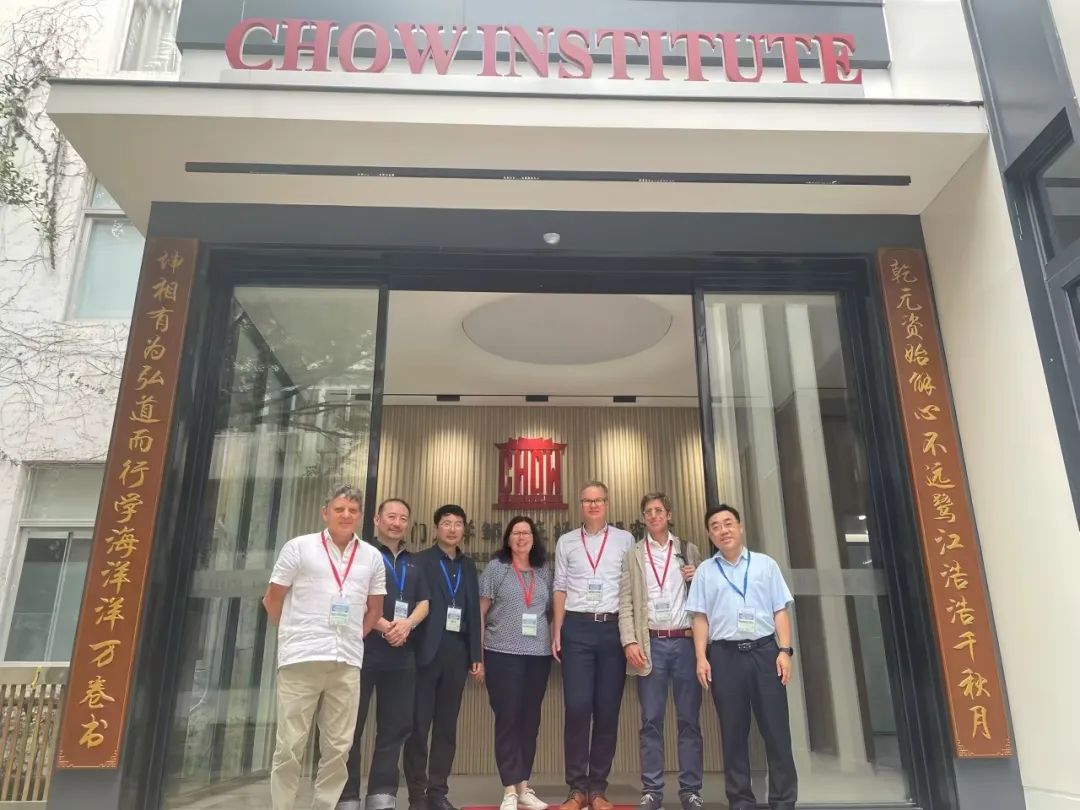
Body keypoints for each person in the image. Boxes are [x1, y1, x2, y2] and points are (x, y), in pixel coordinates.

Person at [263, 485, 387, 810]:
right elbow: (272, 599)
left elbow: (375, 610)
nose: (346, 515)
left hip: (346, 662)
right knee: (289, 745)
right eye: (339, 509)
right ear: (325, 512)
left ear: (360, 516)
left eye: (352, 511)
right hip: (300, 659)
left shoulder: (372, 557)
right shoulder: (299, 547)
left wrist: (353, 637)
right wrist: (291, 633)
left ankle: (324, 806)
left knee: (339, 747)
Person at [686, 504, 798, 810]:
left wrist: (785, 651)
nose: (723, 530)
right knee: (733, 734)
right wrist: (701, 657)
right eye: (715, 526)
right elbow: (699, 617)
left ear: (740, 527)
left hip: (765, 653)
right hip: (725, 657)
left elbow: (780, 610)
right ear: (710, 535)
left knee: (776, 731)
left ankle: (783, 801)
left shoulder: (765, 565)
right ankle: (740, 802)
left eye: (728, 523)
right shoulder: (706, 571)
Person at [338, 498, 431, 810]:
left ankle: (382, 795)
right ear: (377, 520)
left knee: (395, 727)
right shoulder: (361, 555)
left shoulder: (415, 562)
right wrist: (384, 626)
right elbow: (352, 597)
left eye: (403, 518)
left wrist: (406, 625)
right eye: (391, 516)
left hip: (402, 655)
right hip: (362, 651)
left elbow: (425, 602)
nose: (397, 523)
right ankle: (347, 796)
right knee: (351, 725)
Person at [551, 481, 635, 810]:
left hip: (613, 629)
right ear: (581, 505)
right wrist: (557, 630)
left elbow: (632, 587)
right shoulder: (567, 541)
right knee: (577, 707)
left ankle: (597, 788)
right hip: (577, 628)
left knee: (607, 709)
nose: (593, 505)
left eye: (599, 500)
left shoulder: (625, 540)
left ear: (607, 503)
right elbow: (560, 586)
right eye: (587, 500)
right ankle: (576, 788)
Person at [618, 493, 704, 810]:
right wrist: (630, 641)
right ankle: (652, 791)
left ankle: (691, 790)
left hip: (685, 642)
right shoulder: (634, 555)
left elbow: (706, 598)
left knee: (689, 720)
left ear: (669, 515)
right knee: (651, 720)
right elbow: (625, 602)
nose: (653, 515)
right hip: (650, 644)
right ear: (643, 518)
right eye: (648, 512)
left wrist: (697, 578)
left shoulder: (688, 550)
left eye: (658, 510)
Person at [403, 505, 483, 810]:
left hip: (457, 652)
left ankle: (438, 792)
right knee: (418, 726)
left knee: (447, 727)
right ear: (436, 527)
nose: (452, 529)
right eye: (447, 523)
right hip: (425, 651)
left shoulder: (468, 565)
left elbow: (473, 611)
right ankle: (417, 795)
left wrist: (475, 654)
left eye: (458, 524)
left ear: (464, 529)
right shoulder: (420, 561)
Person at [479, 517, 555, 810]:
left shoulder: (543, 570)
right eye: (516, 533)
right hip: (501, 654)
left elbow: (548, 612)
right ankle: (509, 790)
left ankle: (523, 788)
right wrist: (478, 657)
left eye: (526, 533)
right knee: (508, 719)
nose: (521, 537)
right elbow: (480, 614)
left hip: (537, 657)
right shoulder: (496, 569)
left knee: (530, 721)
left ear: (534, 539)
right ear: (508, 539)